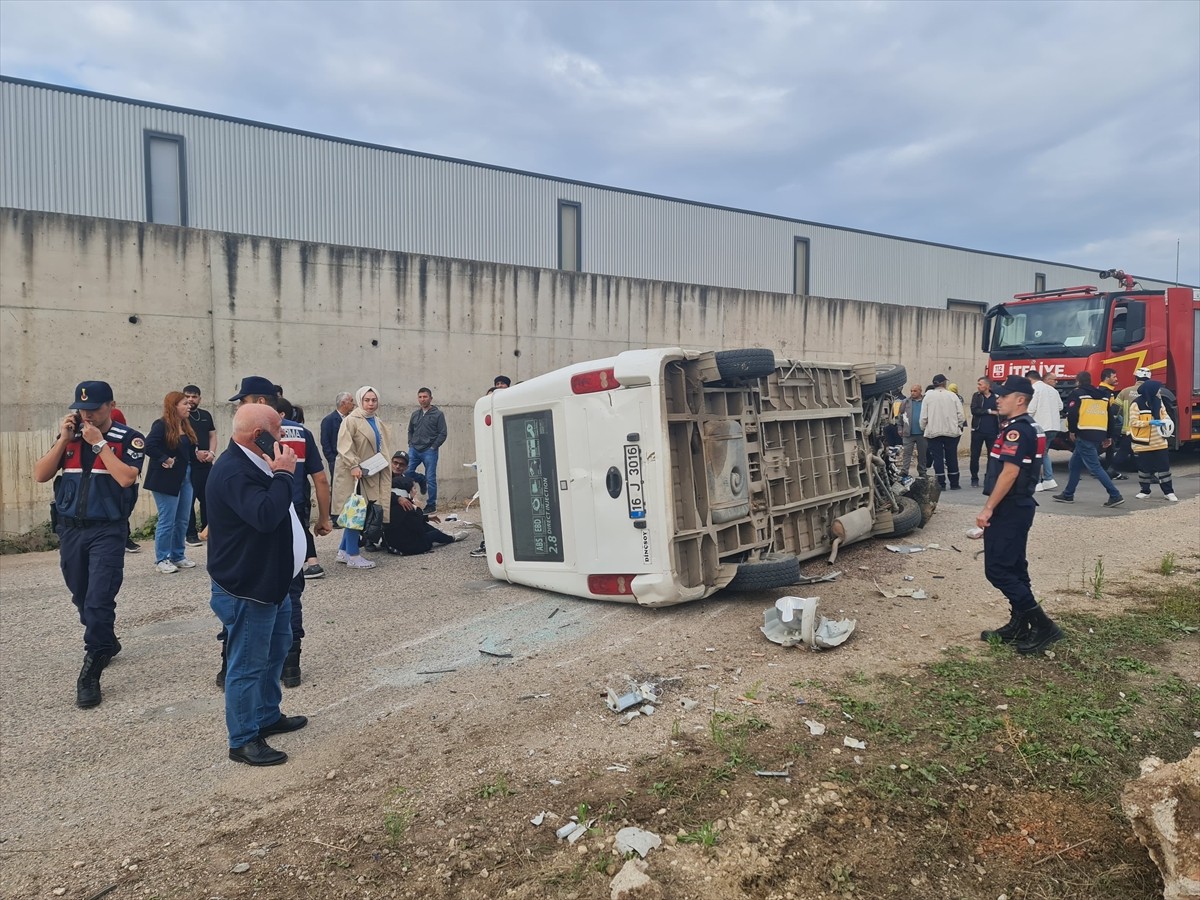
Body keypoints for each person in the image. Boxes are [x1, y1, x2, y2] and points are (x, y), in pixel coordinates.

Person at [207, 403, 308, 766]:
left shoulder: (255, 461)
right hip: (247, 586)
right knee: (247, 663)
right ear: (258, 436)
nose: (282, 438)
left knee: (276, 650)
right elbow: (266, 516)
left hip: (272, 581)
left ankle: (267, 715)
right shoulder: (234, 471)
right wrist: (283, 474)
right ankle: (243, 739)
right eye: (278, 431)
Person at [34, 381, 145, 708]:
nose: (88, 415)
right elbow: (40, 474)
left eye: (95, 409)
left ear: (110, 404)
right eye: (83, 409)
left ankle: (92, 667)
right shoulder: (70, 438)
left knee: (98, 599)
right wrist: (65, 440)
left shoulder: (129, 439)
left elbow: (127, 478)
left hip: (107, 531)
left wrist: (100, 446)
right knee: (81, 595)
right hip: (70, 531)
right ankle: (106, 639)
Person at [976, 375, 1062, 654]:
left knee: (998, 570)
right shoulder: (1024, 426)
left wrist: (989, 507)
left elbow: (1010, 471)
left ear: (1020, 400)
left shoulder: (1018, 430)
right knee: (1014, 567)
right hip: (1018, 505)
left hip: (1010, 506)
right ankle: (1021, 623)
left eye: (1003, 395)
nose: (998, 398)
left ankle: (1044, 626)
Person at [274, 397, 334, 687]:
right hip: (295, 514)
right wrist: (324, 518)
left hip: (260, 517)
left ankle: (231, 664)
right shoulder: (301, 432)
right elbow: (320, 480)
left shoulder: (249, 431)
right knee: (292, 588)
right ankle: (291, 666)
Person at [334, 385, 393, 569]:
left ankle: (343, 551)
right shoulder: (351, 420)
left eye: (374, 400)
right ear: (360, 400)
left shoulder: (376, 420)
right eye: (367, 400)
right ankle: (353, 554)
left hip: (371, 471)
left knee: (358, 511)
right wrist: (353, 465)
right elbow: (344, 446)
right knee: (356, 512)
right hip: (356, 474)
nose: (370, 403)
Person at [143, 391, 198, 574]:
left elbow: (187, 451)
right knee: (168, 519)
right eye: (184, 403)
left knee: (183, 519)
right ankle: (162, 558)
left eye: (189, 403)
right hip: (165, 478)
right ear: (173, 406)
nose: (189, 405)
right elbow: (148, 445)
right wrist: (165, 458)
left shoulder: (186, 425)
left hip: (185, 475)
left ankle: (178, 555)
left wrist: (199, 455)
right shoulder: (161, 425)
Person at [1053, 372, 1124, 508]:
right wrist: (1109, 436)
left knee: (1095, 467)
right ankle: (1068, 494)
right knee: (1074, 464)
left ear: (1078, 381)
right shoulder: (1103, 396)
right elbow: (1110, 417)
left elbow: (1073, 413)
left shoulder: (1077, 393)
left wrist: (1072, 431)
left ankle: (1115, 495)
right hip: (1099, 433)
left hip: (1084, 433)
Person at [384, 451, 465, 554]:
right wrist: (416, 507)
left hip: (394, 537)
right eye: (395, 463)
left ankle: (444, 534)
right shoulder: (384, 478)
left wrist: (425, 517)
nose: (397, 466)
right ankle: (449, 537)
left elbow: (408, 518)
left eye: (401, 464)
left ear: (406, 467)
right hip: (404, 546)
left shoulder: (404, 482)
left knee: (416, 523)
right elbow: (416, 524)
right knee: (430, 533)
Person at [1128, 380, 1179, 503]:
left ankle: (1169, 492)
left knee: (1164, 468)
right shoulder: (1136, 404)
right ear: (1150, 390)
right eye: (1157, 389)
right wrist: (1149, 422)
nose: (1159, 391)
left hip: (1160, 442)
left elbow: (1165, 415)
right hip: (1143, 443)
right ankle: (1145, 491)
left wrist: (1166, 421)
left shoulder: (1159, 402)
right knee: (1144, 469)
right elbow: (1133, 422)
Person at [183, 385, 217, 545]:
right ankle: (190, 534)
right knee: (188, 500)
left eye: (194, 396)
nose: (190, 399)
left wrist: (211, 453)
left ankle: (207, 530)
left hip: (206, 465)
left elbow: (212, 435)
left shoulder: (205, 415)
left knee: (208, 498)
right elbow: (182, 439)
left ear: (199, 398)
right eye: (187, 396)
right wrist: (196, 453)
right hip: (190, 464)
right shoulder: (182, 417)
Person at [920, 374, 966, 490]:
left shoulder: (928, 397)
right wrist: (959, 425)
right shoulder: (952, 396)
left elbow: (923, 417)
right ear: (944, 383)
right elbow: (960, 415)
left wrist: (923, 428)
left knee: (937, 458)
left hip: (933, 432)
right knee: (952, 457)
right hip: (951, 431)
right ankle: (954, 483)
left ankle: (941, 484)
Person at [407, 387, 447, 514]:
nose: (422, 399)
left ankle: (431, 505)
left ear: (430, 398)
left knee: (431, 478)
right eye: (420, 397)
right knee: (406, 472)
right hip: (414, 450)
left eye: (425, 397)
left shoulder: (438, 414)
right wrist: (410, 444)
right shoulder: (415, 414)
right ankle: (420, 480)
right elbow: (410, 430)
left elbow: (443, 433)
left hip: (429, 451)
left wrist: (433, 447)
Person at [1026, 370, 1063, 491]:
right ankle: (1048, 479)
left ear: (1030, 380)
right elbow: (1060, 406)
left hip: (1040, 426)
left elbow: (1031, 409)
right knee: (1044, 453)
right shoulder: (1053, 390)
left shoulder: (1035, 389)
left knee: (1036, 454)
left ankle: (1036, 482)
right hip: (1054, 426)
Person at [968, 377, 999, 488]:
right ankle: (974, 478)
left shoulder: (996, 397)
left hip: (992, 432)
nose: (978, 386)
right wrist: (989, 411)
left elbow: (1000, 411)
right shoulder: (976, 396)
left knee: (992, 457)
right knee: (975, 456)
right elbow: (974, 410)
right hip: (978, 431)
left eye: (980, 384)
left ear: (986, 385)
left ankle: (989, 478)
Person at [320, 392, 355, 480]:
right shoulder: (329, 420)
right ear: (343, 403)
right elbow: (325, 442)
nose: (353, 404)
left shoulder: (352, 419)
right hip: (337, 461)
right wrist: (332, 460)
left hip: (352, 461)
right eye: (351, 401)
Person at [897, 385, 928, 480]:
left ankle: (922, 471)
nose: (912, 393)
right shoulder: (905, 402)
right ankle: (905, 471)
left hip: (922, 433)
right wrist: (900, 428)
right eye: (911, 391)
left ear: (920, 391)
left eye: (915, 391)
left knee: (922, 454)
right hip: (908, 433)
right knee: (907, 453)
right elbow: (900, 416)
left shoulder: (925, 402)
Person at [1098, 367, 1122, 475]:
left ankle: (1107, 469)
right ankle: (1106, 470)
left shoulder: (1104, 390)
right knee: (1106, 446)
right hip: (1106, 423)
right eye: (1114, 377)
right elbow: (1108, 409)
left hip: (1105, 422)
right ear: (1107, 378)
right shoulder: (1105, 391)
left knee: (1109, 447)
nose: (1116, 379)